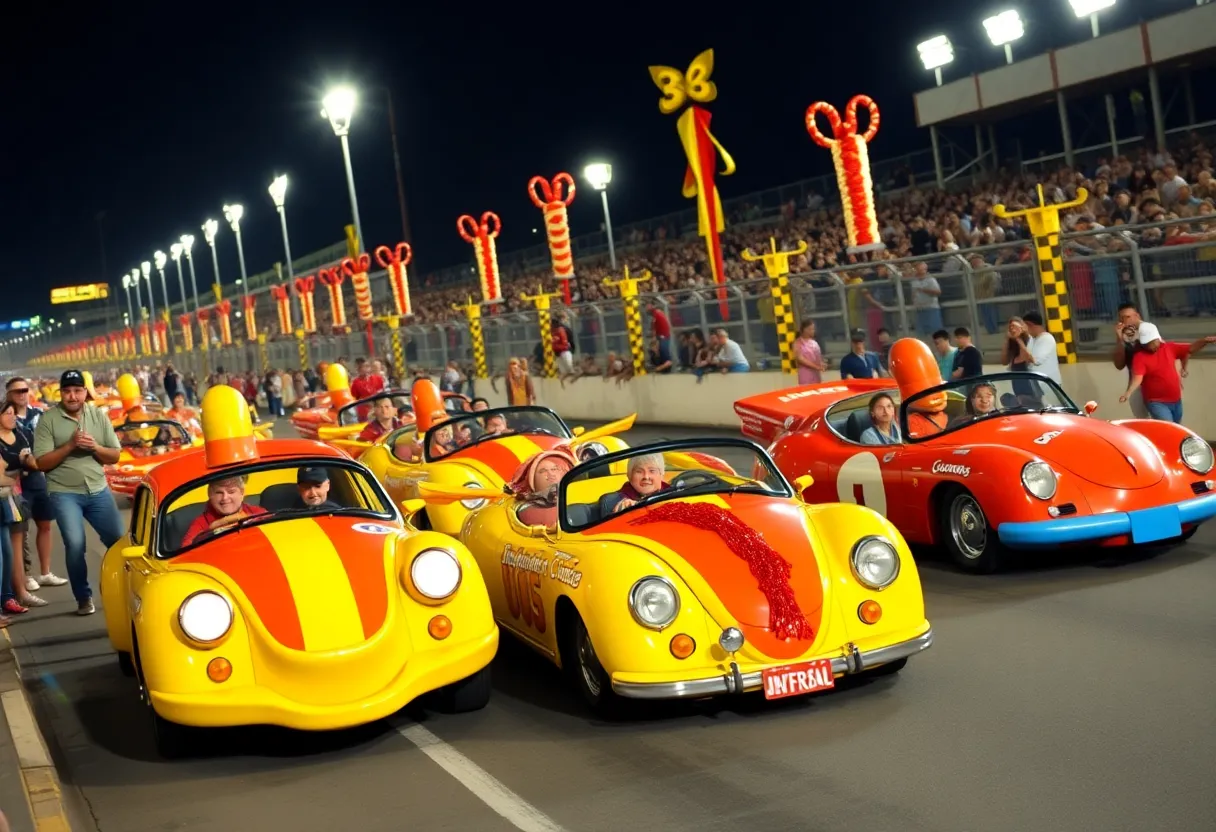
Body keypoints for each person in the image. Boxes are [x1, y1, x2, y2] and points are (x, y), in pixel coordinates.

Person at [32, 370, 124, 616]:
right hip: (64, 493)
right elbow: (41, 463)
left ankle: (125, 589)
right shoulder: (48, 420)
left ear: (85, 392)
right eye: (67, 391)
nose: (72, 396)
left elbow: (115, 455)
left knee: (119, 542)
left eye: (77, 390)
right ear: (60, 393)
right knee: (75, 545)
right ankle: (83, 597)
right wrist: (70, 445)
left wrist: (95, 447)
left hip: (98, 490)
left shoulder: (98, 416)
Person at [1119, 323, 1215, 423]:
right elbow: (1137, 379)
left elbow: (1190, 349)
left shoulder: (1169, 348)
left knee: (1176, 427)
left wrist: (1204, 341)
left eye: (1153, 342)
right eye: (1147, 344)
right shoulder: (1140, 357)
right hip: (1156, 402)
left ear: (1158, 338)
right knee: (1169, 426)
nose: (1151, 346)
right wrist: (1128, 393)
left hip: (1176, 400)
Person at [180, 476, 267, 547]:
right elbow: (185, 553)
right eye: (219, 493)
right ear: (210, 494)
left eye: (231, 492)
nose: (225, 498)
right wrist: (210, 532)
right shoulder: (199, 524)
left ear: (242, 493)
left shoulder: (258, 513)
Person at [510, 450, 577, 527]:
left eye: (554, 469)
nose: (551, 474)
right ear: (532, 481)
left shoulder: (579, 494)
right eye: (543, 471)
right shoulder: (527, 512)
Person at [1111, 303, 1151, 419]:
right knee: (1142, 421)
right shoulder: (1124, 337)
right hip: (1135, 386)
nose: (1126, 321)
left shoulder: (1148, 330)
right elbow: (1119, 364)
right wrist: (1119, 340)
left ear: (1137, 316)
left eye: (1128, 317)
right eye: (1122, 318)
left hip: (1154, 383)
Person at [601, 453, 669, 515]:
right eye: (639, 471)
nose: (646, 477)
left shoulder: (674, 493)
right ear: (629, 475)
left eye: (652, 471)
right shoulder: (613, 501)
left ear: (662, 474)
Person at [1016, 311, 1062, 385]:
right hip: (1036, 384)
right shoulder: (1032, 339)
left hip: (1049, 385)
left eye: (1024, 326)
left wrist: (1019, 340)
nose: (1023, 329)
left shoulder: (1047, 339)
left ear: (1029, 324)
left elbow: (1035, 360)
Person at [794, 319, 826, 385]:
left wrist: (822, 363)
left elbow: (818, 356)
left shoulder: (814, 343)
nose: (813, 331)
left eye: (813, 329)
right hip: (805, 374)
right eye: (811, 329)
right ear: (805, 330)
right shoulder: (798, 343)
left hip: (815, 373)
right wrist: (816, 366)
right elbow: (800, 359)